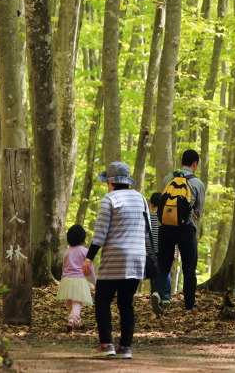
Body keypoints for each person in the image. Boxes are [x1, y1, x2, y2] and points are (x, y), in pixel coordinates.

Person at [82, 161, 149, 359]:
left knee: (103, 300)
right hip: (137, 259)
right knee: (126, 303)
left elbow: (100, 233)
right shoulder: (141, 198)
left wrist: (89, 258)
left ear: (110, 183)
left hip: (114, 259)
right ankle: (125, 348)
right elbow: (147, 232)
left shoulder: (108, 199)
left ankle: (106, 344)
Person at [151, 149, 206, 316]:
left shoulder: (168, 178)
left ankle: (158, 294)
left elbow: (163, 203)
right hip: (186, 229)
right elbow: (198, 213)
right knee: (189, 268)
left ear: (181, 161)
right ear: (195, 164)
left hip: (166, 227)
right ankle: (189, 306)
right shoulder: (198, 183)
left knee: (163, 265)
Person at [57, 224, 96, 332]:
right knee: (77, 303)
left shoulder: (67, 251)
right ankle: (72, 319)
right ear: (82, 238)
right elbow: (90, 268)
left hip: (66, 279)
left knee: (70, 302)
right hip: (79, 279)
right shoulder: (85, 251)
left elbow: (64, 267)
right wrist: (95, 283)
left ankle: (77, 323)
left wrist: (62, 279)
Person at [149, 192, 172, 304]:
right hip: (166, 248)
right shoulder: (166, 217)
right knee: (165, 271)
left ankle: (154, 292)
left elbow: (146, 234)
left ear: (151, 204)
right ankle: (166, 295)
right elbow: (172, 235)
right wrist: (175, 251)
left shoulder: (148, 217)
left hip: (152, 250)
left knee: (153, 271)